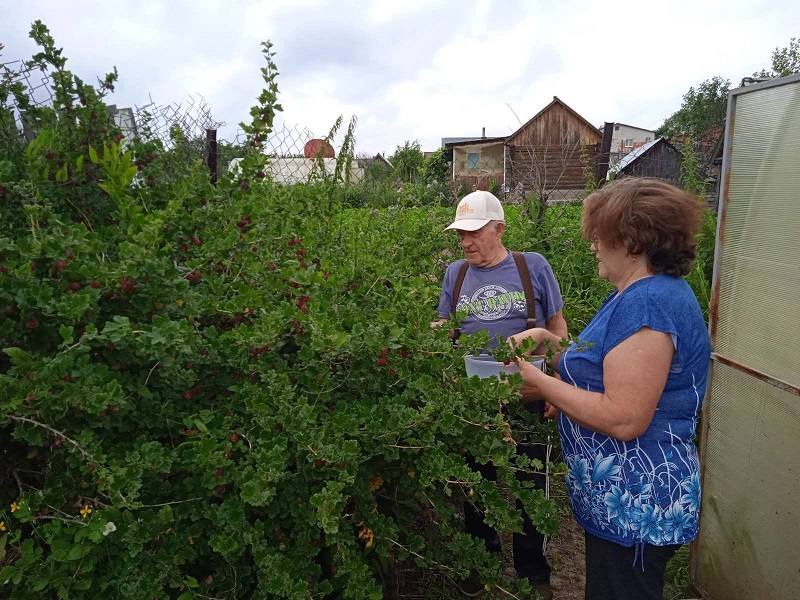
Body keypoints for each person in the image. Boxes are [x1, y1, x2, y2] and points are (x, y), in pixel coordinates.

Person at [508, 177, 712, 600]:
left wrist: (539, 381)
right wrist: (552, 344)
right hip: (618, 504)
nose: (593, 245)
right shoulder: (632, 295)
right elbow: (605, 370)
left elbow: (624, 417)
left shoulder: (650, 303)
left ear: (632, 240)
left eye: (600, 236)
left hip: (639, 506)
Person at [433, 190, 568, 599]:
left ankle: (533, 573)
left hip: (529, 393)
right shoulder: (455, 274)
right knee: (477, 484)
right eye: (461, 235)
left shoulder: (533, 267)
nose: (466, 242)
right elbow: (444, 331)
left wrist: (557, 386)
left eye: (474, 232)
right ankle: (482, 561)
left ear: (499, 229)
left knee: (532, 483)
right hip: (475, 403)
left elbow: (558, 328)